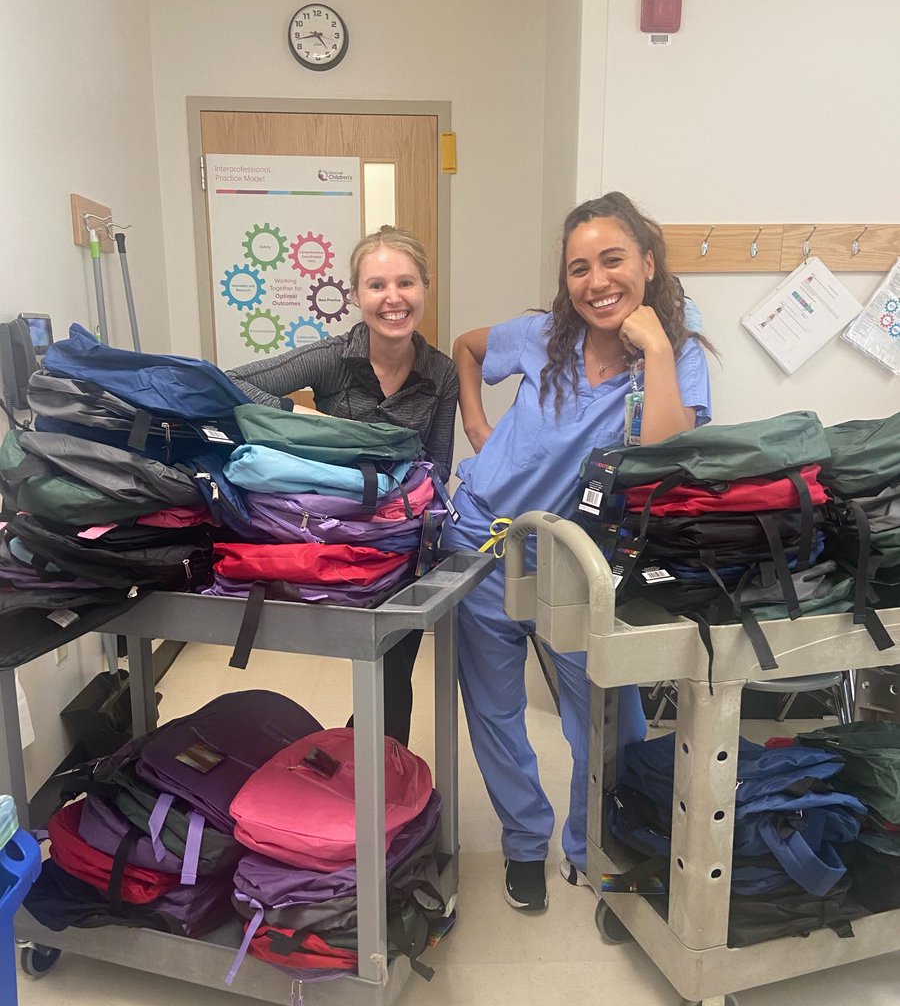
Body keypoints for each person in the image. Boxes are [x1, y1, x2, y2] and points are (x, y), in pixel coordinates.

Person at [441, 192, 714, 912]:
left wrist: (654, 347)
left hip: (576, 565)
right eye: (579, 268)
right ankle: (525, 843)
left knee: (608, 714)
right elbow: (466, 349)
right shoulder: (538, 338)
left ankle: (590, 843)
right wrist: (476, 422)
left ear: (647, 265)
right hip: (480, 542)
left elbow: (664, 457)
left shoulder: (676, 359)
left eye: (613, 261)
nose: (597, 281)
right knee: (495, 709)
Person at [225, 225, 458, 745]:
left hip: (398, 542)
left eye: (406, 283)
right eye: (377, 285)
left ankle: (374, 769)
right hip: (329, 534)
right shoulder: (334, 356)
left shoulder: (441, 374)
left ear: (425, 287)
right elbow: (230, 382)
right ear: (357, 295)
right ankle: (356, 760)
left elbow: (436, 466)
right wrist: (301, 425)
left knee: (394, 670)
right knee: (365, 660)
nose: (393, 298)